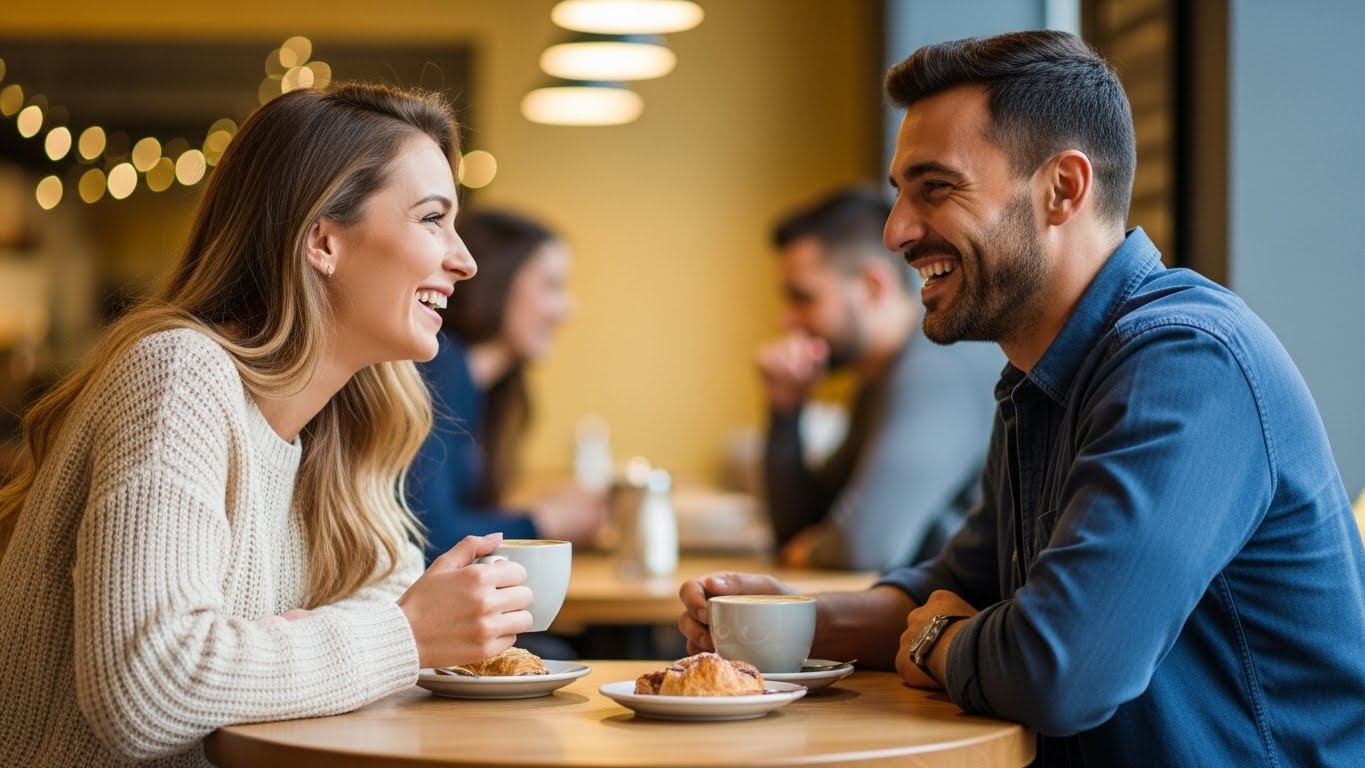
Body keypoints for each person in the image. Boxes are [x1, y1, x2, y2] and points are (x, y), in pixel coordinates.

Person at [678, 29, 1365, 767]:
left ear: (1062, 188)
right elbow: (952, 587)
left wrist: (940, 639)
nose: (895, 231)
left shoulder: (1187, 363)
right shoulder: (1041, 378)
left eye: (934, 188)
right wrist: (779, 622)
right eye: (899, 194)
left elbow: (1059, 672)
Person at [0, 83, 537, 767]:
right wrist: (401, 634)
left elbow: (390, 591)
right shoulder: (178, 376)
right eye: (432, 219)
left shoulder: (344, 425)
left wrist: (277, 642)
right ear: (322, 241)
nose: (464, 261)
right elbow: (150, 688)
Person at [758, 186, 1001, 570]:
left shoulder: (936, 363)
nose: (786, 321)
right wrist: (786, 409)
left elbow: (861, 548)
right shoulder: (880, 376)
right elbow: (801, 525)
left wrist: (814, 548)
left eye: (803, 297)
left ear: (874, 285)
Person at [406, 209, 607, 564]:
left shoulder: (483, 385)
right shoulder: (440, 367)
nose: (567, 309)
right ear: (499, 280)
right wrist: (546, 519)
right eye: (552, 286)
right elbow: (428, 535)